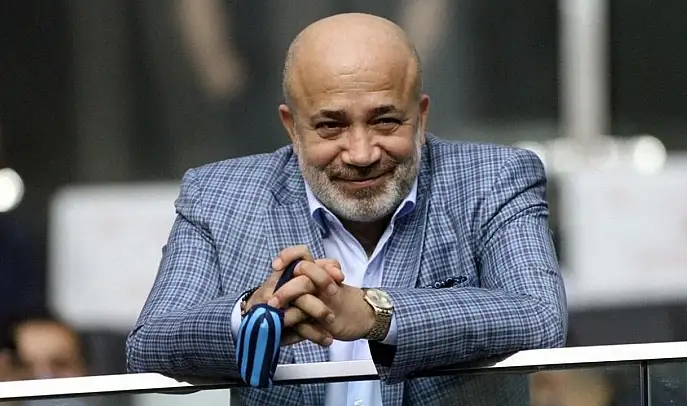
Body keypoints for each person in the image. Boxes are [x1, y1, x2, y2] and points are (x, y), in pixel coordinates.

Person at [127, 12, 567, 406]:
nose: (360, 153)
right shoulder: (219, 194)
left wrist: (375, 313)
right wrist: (253, 314)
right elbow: (149, 344)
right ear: (292, 128)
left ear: (421, 117)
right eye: (331, 126)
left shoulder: (493, 177)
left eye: (385, 121)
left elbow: (539, 316)